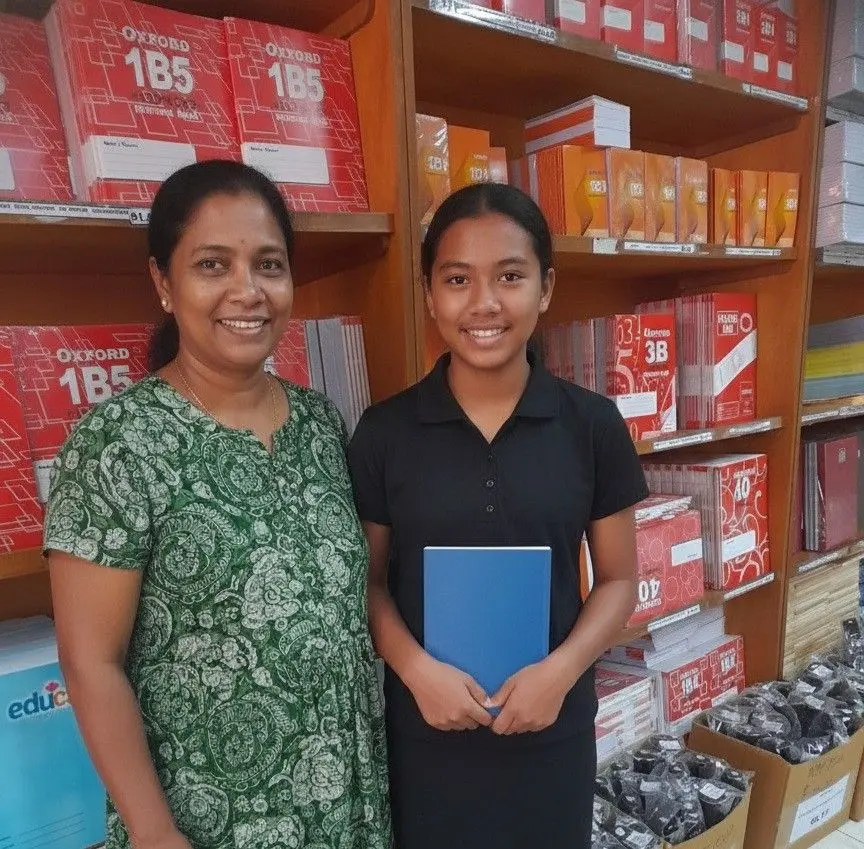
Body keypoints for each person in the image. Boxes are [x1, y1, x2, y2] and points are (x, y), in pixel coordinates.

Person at [44, 160, 391, 849]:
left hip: (347, 806)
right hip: (207, 820)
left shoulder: (321, 422)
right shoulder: (119, 443)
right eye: (212, 265)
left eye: (269, 264)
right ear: (164, 284)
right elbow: (91, 662)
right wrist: (153, 829)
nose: (248, 290)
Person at [347, 182, 649, 849]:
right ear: (430, 293)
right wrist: (418, 672)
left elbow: (620, 580)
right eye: (457, 279)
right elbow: (366, 584)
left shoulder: (592, 424)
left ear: (544, 288)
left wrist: (561, 672)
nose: (484, 303)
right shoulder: (385, 431)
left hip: (551, 727)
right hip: (427, 733)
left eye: (510, 276)